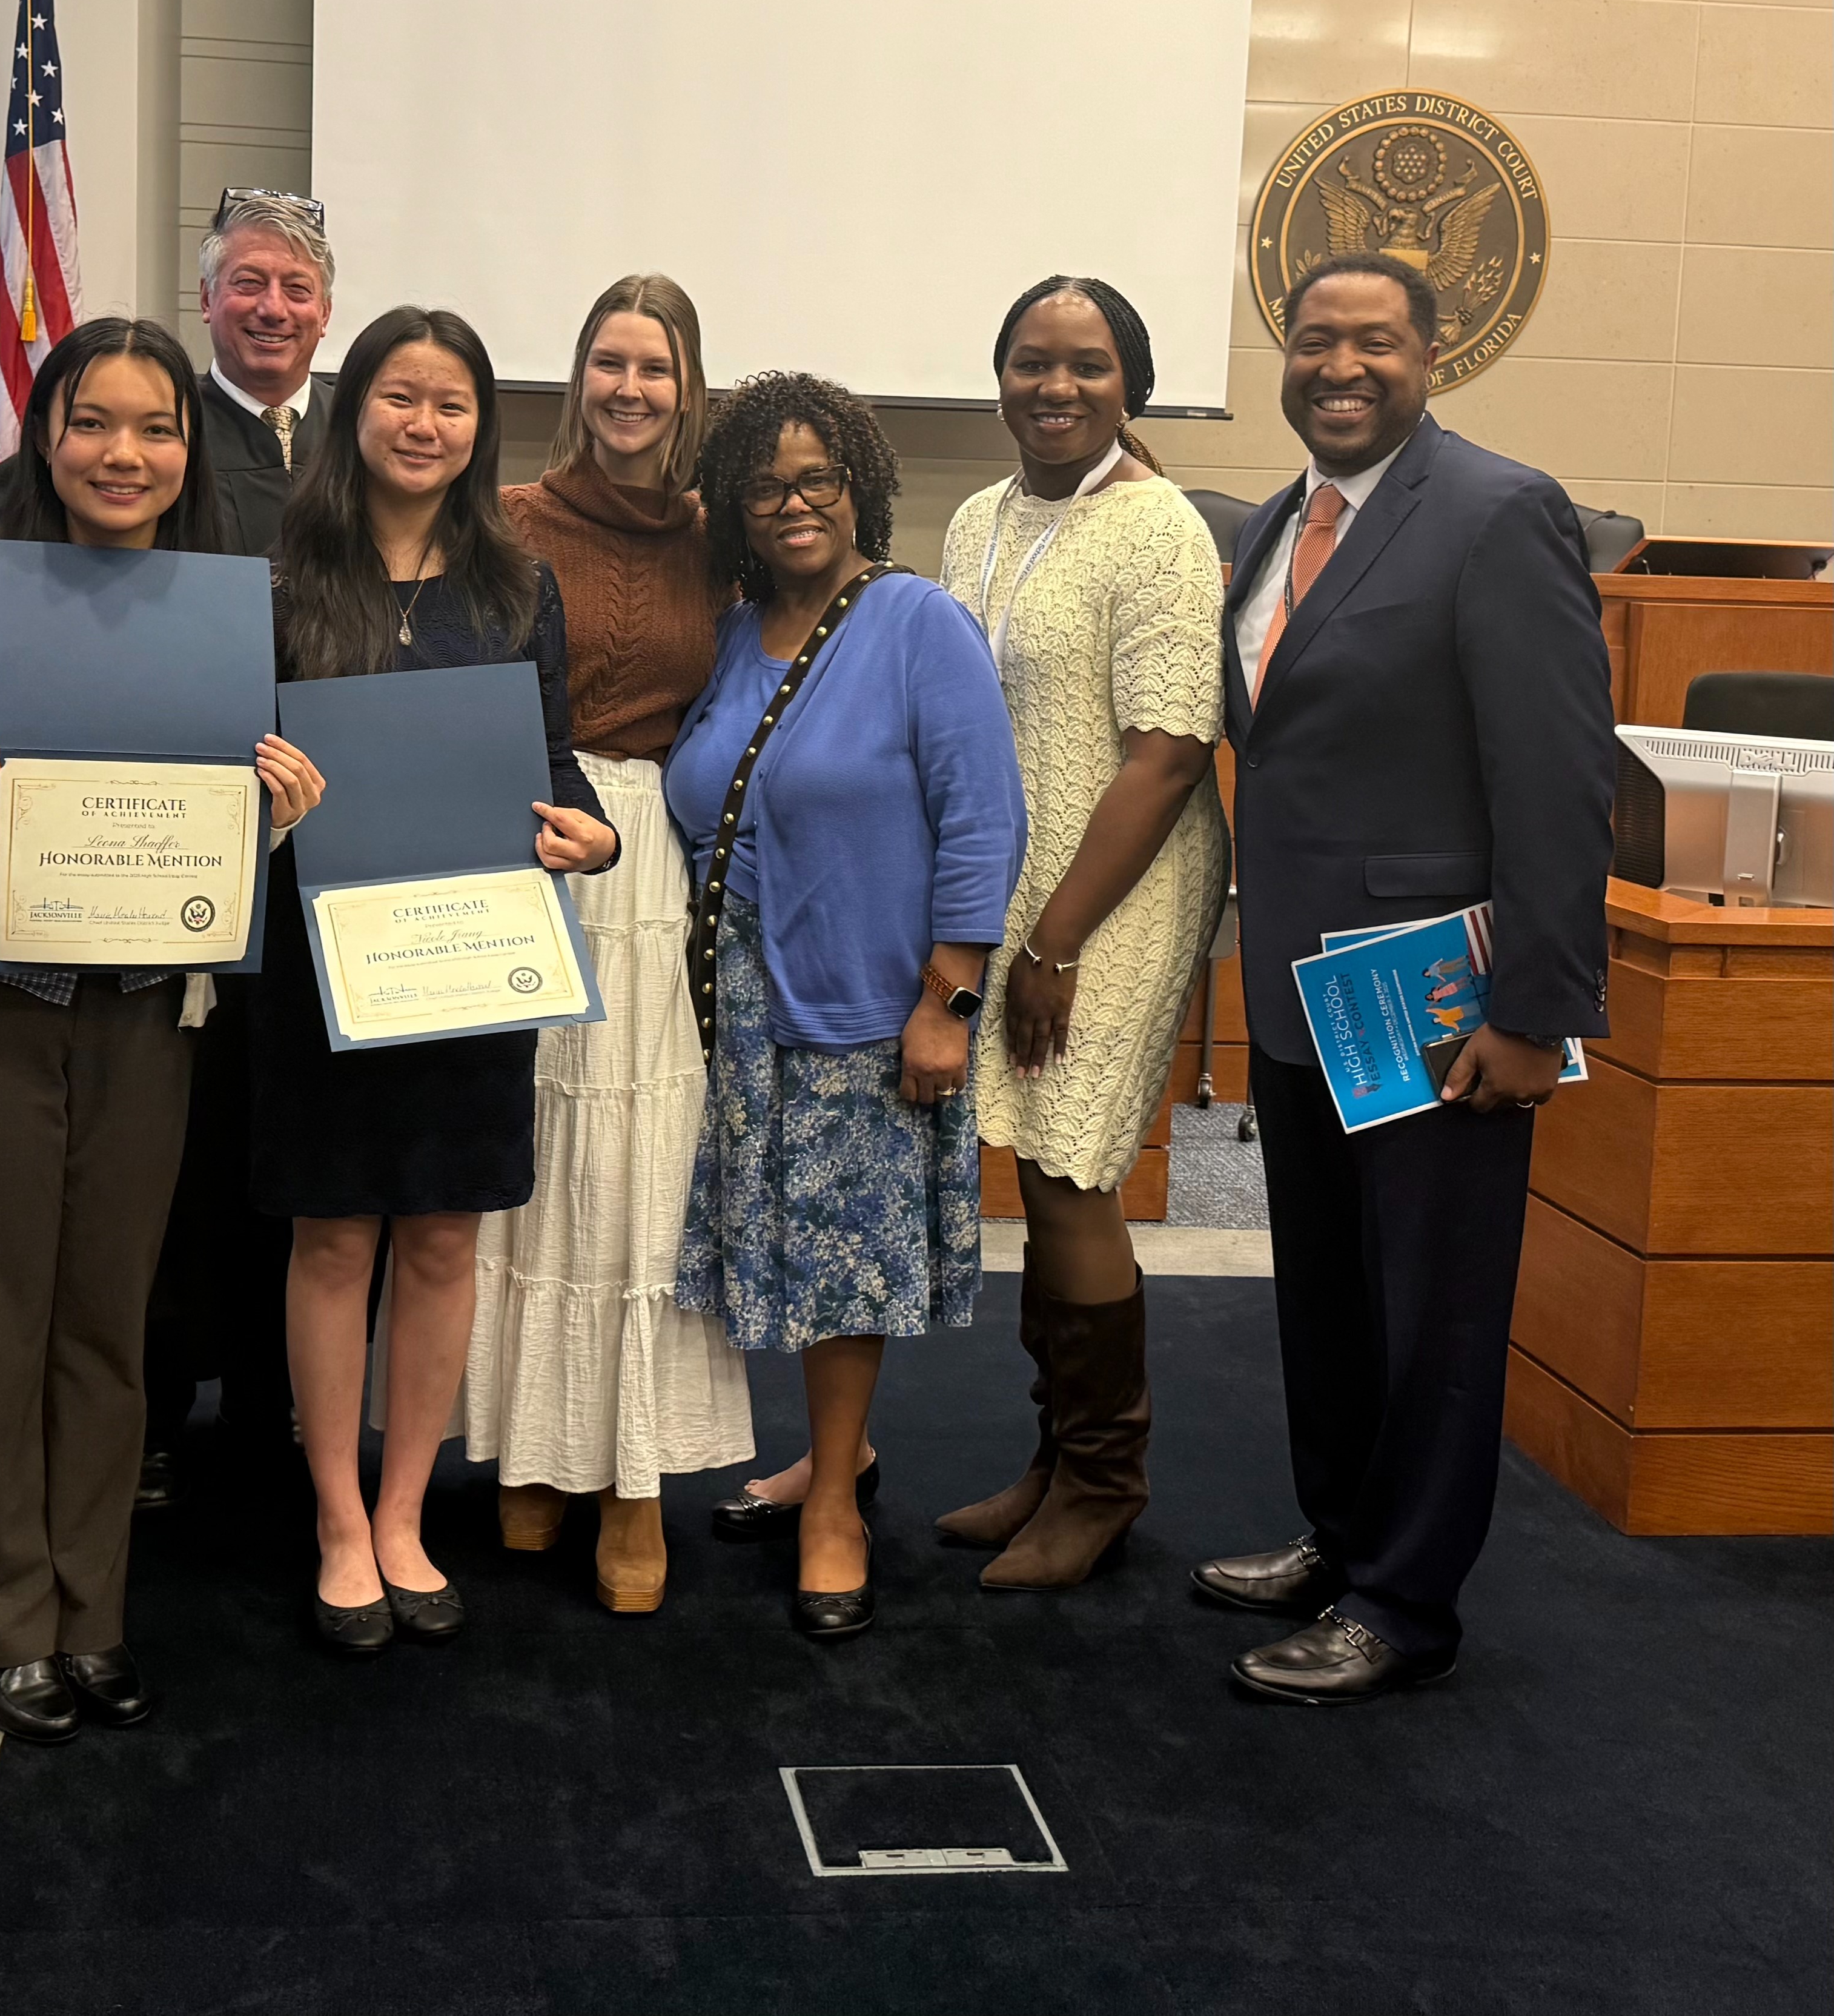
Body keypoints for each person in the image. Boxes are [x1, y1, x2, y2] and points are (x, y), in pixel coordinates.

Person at [0, 317, 323, 1741]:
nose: (124, 453)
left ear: (189, 451)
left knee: (108, 1325)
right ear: (44, 435)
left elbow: (187, 853)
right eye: (93, 421)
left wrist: (269, 822)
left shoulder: (215, 614)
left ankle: (90, 1605)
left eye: (156, 427)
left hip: (143, 1017)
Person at [1198, 250, 1614, 1705]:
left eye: (1373, 342)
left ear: (1431, 355)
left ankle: (1404, 1602)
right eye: (1314, 341)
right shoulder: (1266, 524)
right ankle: (1336, 1534)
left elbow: (1559, 783)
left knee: (1432, 1304)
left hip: (1442, 1005)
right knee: (1323, 1289)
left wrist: (1532, 1009)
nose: (1339, 366)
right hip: (1307, 995)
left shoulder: (1499, 515)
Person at [255, 307, 620, 1654]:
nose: (423, 422)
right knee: (336, 1232)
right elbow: (226, 760)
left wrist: (593, 830)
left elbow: (554, 756)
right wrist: (265, 800)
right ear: (354, 411)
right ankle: (336, 1519)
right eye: (400, 396)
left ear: (480, 428)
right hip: (320, 963)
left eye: (451, 403)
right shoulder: (284, 575)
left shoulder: (516, 586)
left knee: (446, 1235)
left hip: (469, 956)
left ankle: (406, 1510)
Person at [667, 376, 1024, 1639]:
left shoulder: (918, 621)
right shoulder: (728, 631)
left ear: (858, 484)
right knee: (769, 1237)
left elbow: (985, 818)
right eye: (768, 484)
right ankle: (835, 1453)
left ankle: (833, 1504)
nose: (795, 502)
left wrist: (950, 997)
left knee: (836, 1258)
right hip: (732, 995)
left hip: (867, 995)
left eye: (818, 478)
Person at [460, 277, 752, 1616]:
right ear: (575, 375)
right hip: (522, 830)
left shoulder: (718, 535)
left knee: (639, 1156)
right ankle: (536, 1445)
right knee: (528, 1149)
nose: (629, 387)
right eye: (607, 361)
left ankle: (628, 1475)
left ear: (686, 387)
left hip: (652, 863)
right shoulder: (506, 519)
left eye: (655, 366)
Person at [934, 278, 1227, 1589]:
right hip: (1012, 879)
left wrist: (1053, 942)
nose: (1055, 387)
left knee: (1069, 1166)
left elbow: (1167, 754)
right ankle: (1055, 1459)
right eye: (1030, 362)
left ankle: (1105, 1481)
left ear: (1131, 384)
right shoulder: (973, 519)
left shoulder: (1160, 528)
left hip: (1115, 885)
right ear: (997, 376)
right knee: (1034, 1168)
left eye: (1087, 366)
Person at [140, 188, 339, 1507]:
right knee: (180, 1141)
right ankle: (155, 1407)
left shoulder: (350, 446)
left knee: (294, 1136)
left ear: (327, 310)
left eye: (297, 289)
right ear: (204, 299)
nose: (272, 308)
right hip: (176, 855)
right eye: (248, 283)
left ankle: (278, 1402)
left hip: (321, 847)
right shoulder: (161, 440)